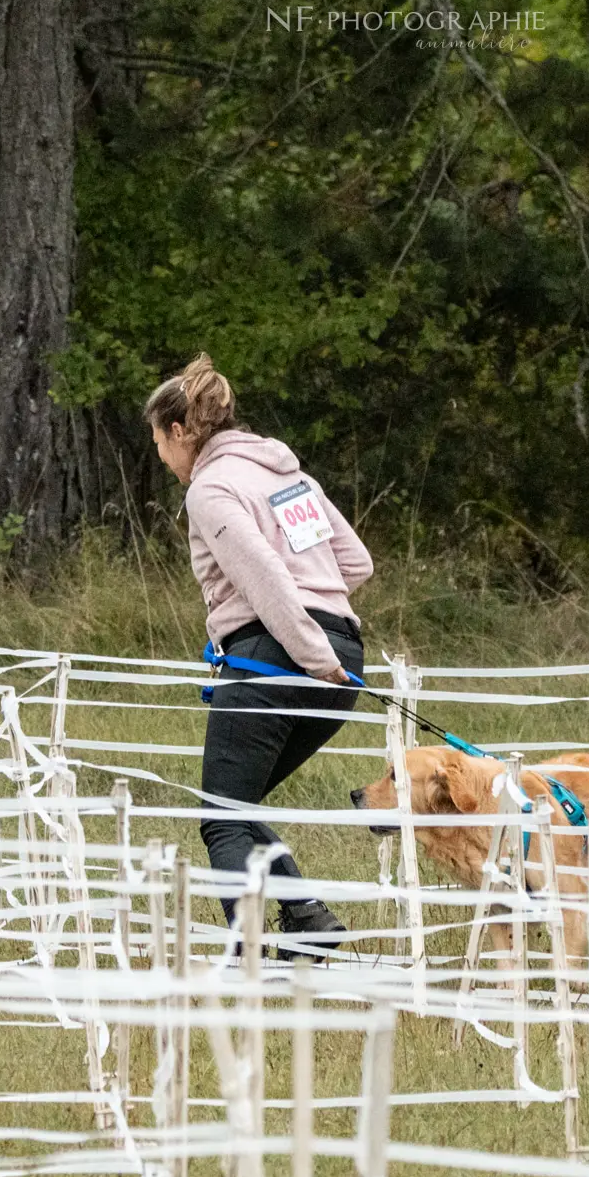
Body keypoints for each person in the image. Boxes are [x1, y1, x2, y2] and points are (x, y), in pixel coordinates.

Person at [146, 354, 370, 958]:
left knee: (221, 818)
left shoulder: (211, 490)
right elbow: (355, 563)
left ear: (178, 431)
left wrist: (308, 650)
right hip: (345, 652)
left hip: (279, 657)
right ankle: (309, 920)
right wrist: (326, 638)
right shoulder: (288, 477)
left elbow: (266, 579)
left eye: (158, 442)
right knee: (234, 804)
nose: (162, 459)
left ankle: (244, 953)